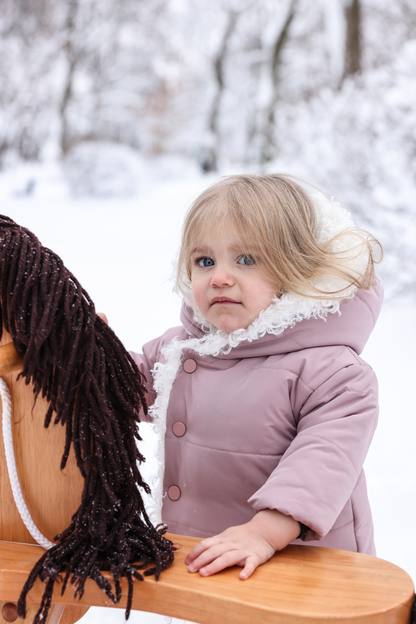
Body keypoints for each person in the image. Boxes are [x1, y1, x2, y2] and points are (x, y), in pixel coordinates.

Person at [130, 173, 383, 582]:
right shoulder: (180, 350)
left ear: (295, 269)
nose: (220, 277)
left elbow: (322, 462)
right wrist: (84, 353)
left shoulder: (333, 373)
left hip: (305, 574)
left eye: (246, 260)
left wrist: (264, 533)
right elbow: (128, 386)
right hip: (208, 559)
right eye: (204, 261)